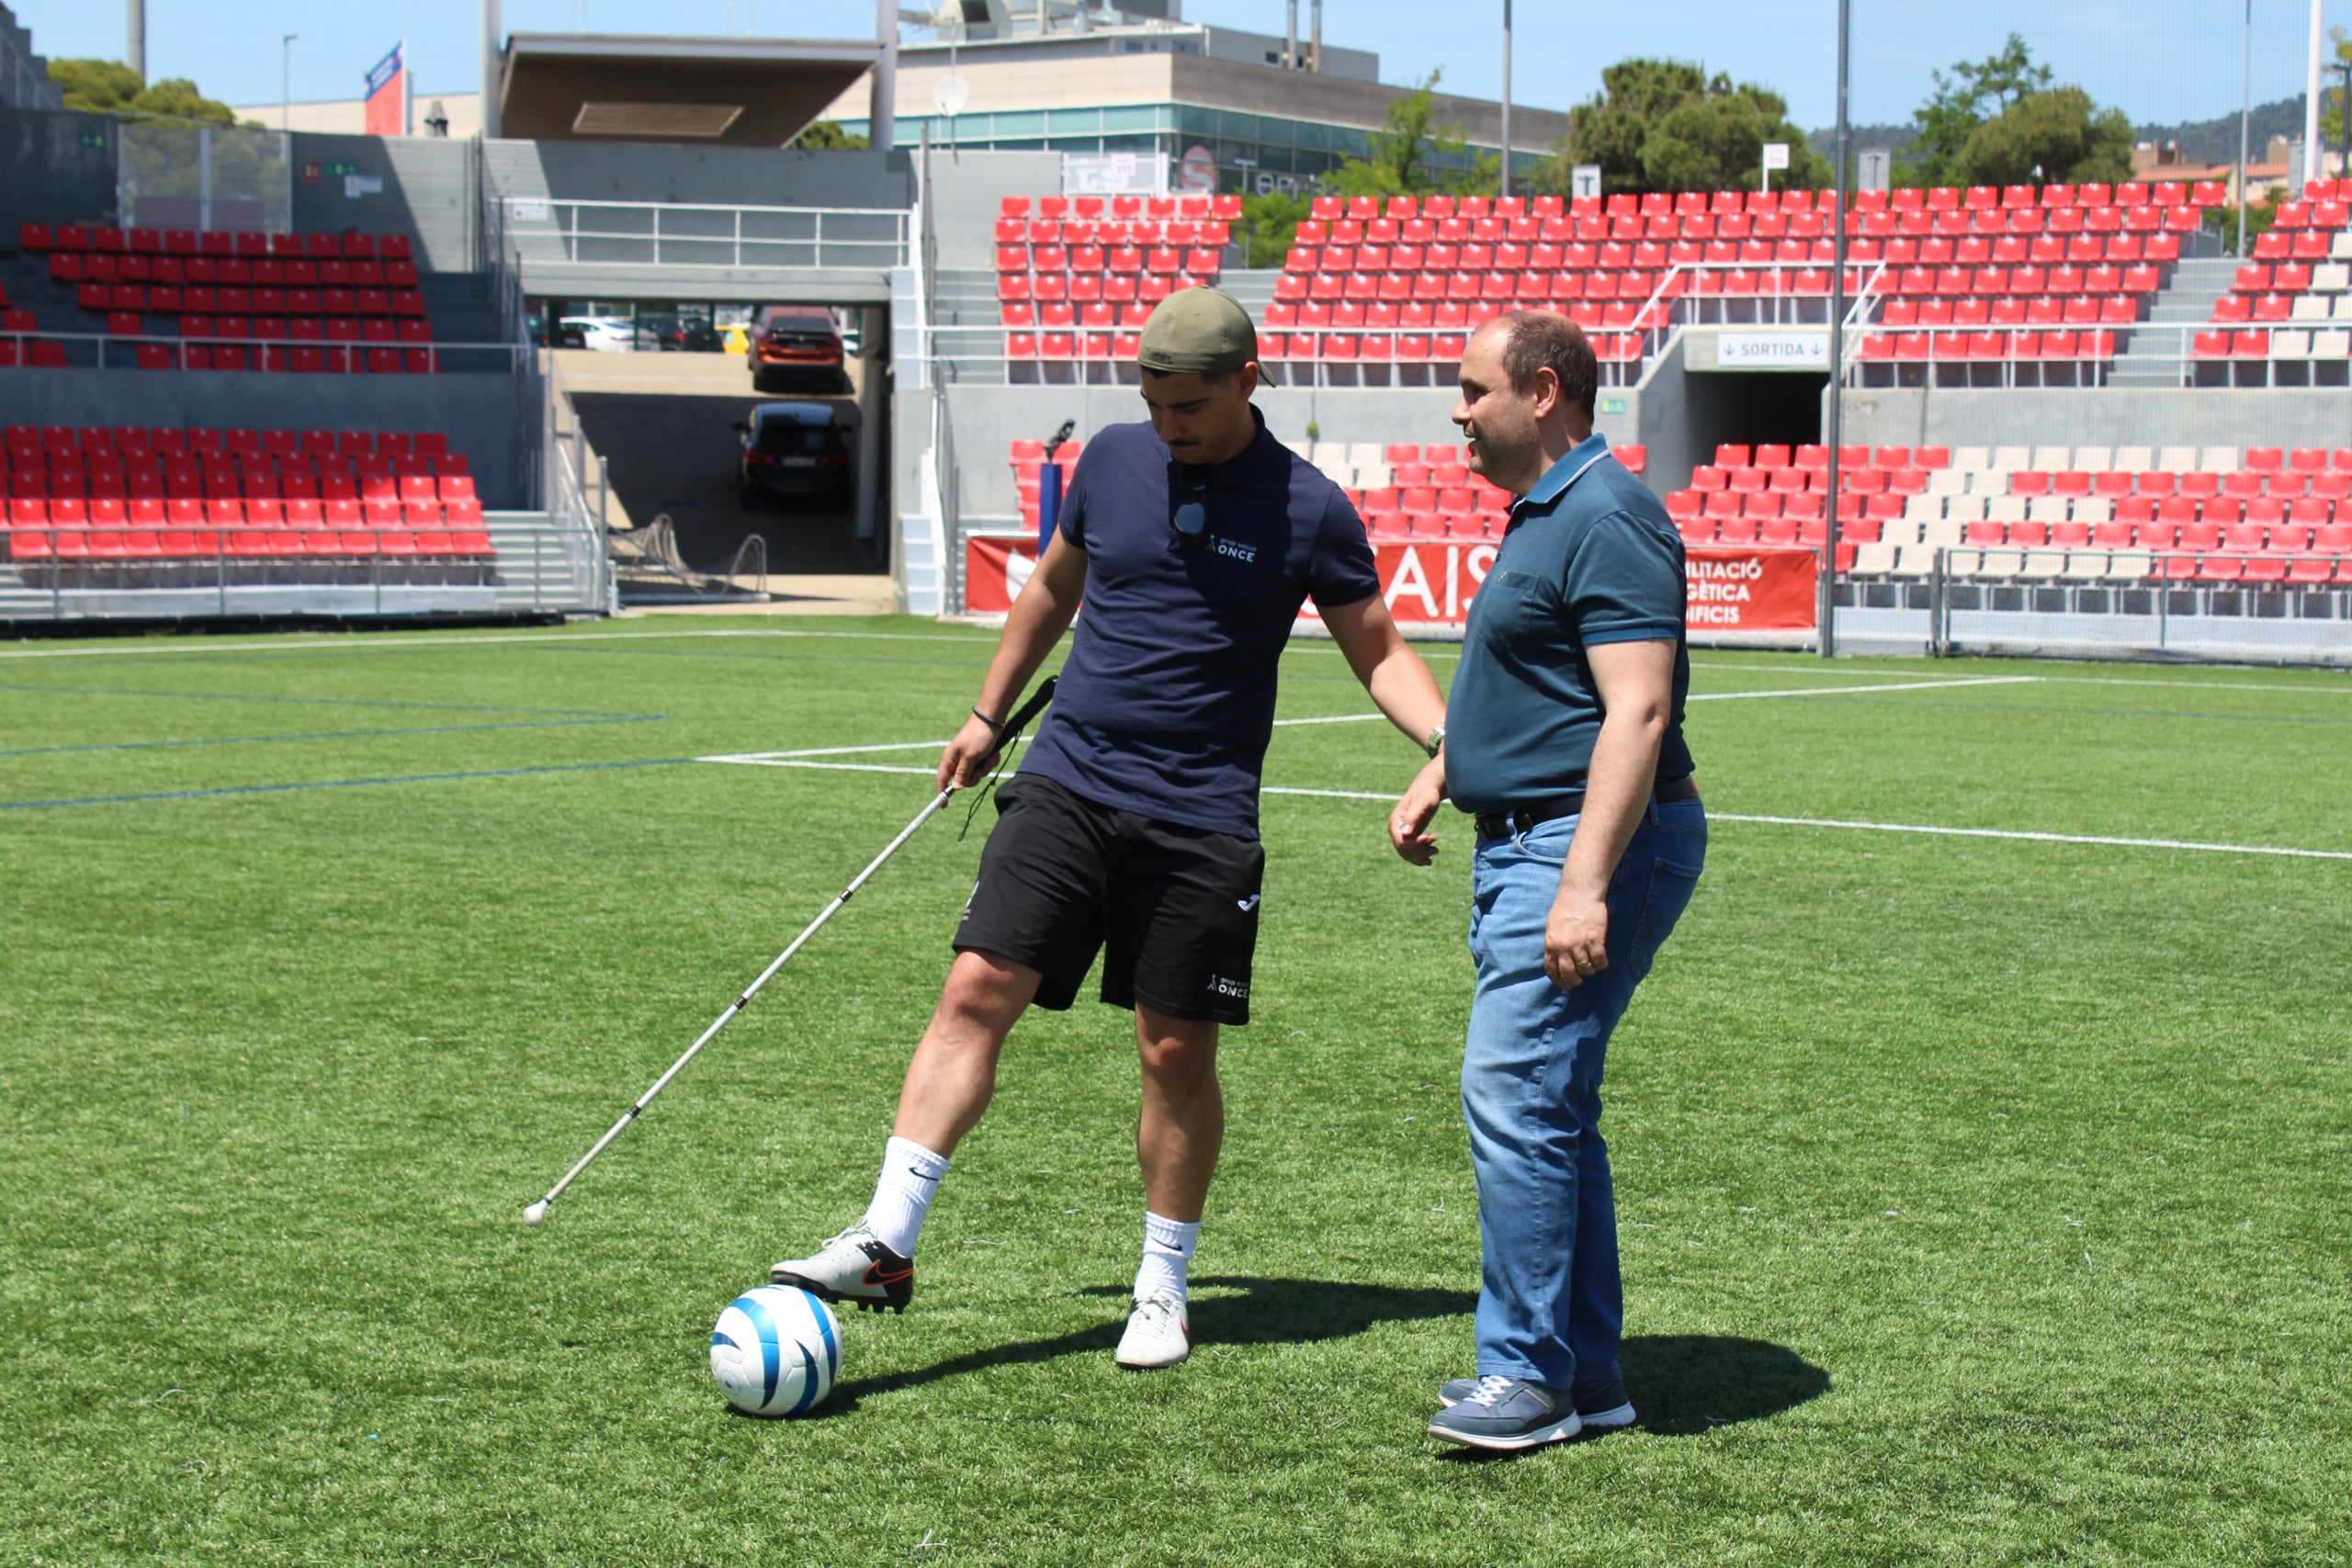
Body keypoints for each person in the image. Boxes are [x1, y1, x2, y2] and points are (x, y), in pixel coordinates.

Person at [772, 288, 1449, 1370]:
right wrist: (987, 714)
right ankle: (887, 1236)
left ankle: (1161, 1284)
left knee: (1172, 1050)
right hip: (1068, 781)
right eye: (1153, 402)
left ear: (1248, 380)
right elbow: (1050, 587)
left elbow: (1378, 649)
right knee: (975, 985)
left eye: (1189, 405)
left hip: (1202, 817)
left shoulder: (1309, 507)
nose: (1169, 425)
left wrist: (1445, 744)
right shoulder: (1112, 464)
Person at [1388, 311, 1705, 1450]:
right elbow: (1544, 683)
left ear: (1541, 391)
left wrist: (1582, 887)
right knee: (1550, 1106)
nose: (1458, 412)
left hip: (1583, 843)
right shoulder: (1548, 512)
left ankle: (1524, 1378)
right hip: (1532, 836)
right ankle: (1590, 1373)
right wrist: (1446, 768)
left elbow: (1637, 709)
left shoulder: (1608, 515)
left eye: (1472, 390)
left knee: (1516, 1097)